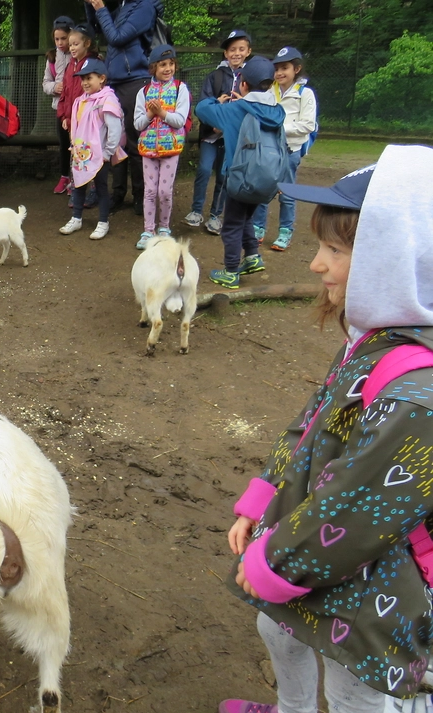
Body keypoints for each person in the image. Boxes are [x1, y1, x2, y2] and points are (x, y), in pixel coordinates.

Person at [222, 144, 433, 713]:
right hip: (316, 550)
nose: (316, 264)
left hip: (376, 586)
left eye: (335, 249)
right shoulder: (373, 341)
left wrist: (275, 563)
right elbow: (314, 422)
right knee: (279, 629)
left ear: (397, 258)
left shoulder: (420, 393)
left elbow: (360, 501)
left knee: (352, 692)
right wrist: (264, 495)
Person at [195, 57, 285, 289]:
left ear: (242, 83)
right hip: (266, 179)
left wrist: (220, 101)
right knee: (246, 217)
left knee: (231, 225)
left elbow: (202, 109)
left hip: (240, 177)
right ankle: (253, 256)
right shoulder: (277, 112)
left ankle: (231, 271)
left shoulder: (236, 109)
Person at [85, 0, 158, 216]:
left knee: (135, 141)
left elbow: (117, 37)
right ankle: (117, 193)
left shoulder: (145, 7)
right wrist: (90, 5)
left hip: (135, 80)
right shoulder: (122, 7)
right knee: (114, 141)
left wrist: (100, 8)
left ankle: (140, 195)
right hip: (114, 83)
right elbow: (97, 28)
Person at [184, 29, 253, 235]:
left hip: (233, 138)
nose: (236, 53)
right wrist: (214, 120)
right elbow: (203, 103)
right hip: (211, 135)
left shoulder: (250, 78)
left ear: (248, 51)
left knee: (224, 175)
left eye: (241, 49)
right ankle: (196, 211)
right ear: (225, 53)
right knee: (204, 170)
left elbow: (254, 104)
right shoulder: (214, 76)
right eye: (232, 50)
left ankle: (216, 215)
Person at [252, 46, 318, 251]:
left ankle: (285, 231)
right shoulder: (270, 90)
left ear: (296, 69)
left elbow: (308, 125)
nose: (280, 73)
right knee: (264, 188)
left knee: (286, 191)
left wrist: (280, 128)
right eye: (277, 68)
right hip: (270, 149)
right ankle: (258, 228)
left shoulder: (305, 94)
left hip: (291, 149)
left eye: (285, 68)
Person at [58, 57, 124, 241]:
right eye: (83, 79)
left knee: (101, 187)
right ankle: (76, 218)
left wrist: (107, 152)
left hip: (99, 155)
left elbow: (115, 128)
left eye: (89, 78)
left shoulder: (107, 100)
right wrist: (74, 146)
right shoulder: (80, 101)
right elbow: (77, 126)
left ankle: (103, 222)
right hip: (81, 154)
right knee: (78, 184)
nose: (85, 82)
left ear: (101, 78)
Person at [133, 44, 190, 249]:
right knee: (149, 191)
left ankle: (164, 228)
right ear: (154, 68)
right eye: (163, 64)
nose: (168, 68)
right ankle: (148, 230)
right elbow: (137, 124)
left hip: (170, 149)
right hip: (148, 149)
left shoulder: (179, 89)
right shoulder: (144, 92)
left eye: (171, 64)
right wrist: (150, 114)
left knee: (164, 191)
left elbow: (180, 120)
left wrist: (162, 113)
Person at [57, 23, 100, 209]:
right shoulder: (70, 66)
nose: (72, 48)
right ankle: (77, 189)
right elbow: (65, 94)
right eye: (71, 44)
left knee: (89, 153)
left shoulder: (93, 65)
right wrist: (64, 116)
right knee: (76, 154)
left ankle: (93, 190)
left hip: (88, 120)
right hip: (72, 121)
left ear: (87, 44)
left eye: (76, 44)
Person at [43, 15, 75, 194]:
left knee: (77, 144)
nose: (61, 42)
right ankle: (64, 177)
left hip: (76, 109)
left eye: (64, 38)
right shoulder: (52, 58)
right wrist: (55, 87)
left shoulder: (77, 54)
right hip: (60, 108)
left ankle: (76, 179)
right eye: (57, 39)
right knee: (63, 144)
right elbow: (45, 82)